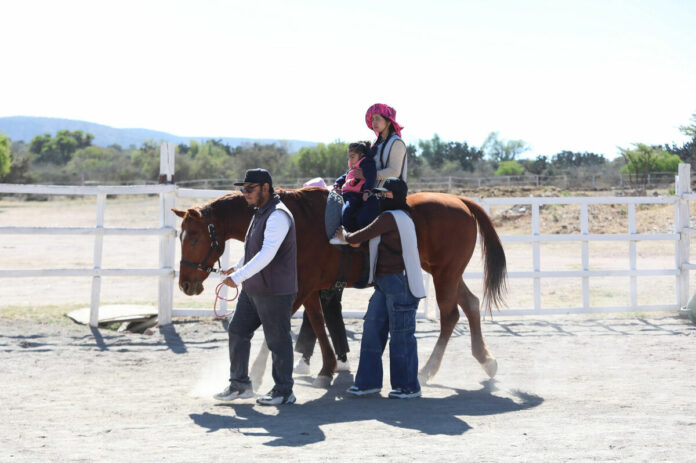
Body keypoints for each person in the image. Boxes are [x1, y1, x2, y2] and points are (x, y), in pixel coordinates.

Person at [335, 177, 426, 399]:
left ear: (393, 195)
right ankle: (368, 383)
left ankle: (408, 386)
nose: (380, 197)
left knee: (400, 336)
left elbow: (358, 238)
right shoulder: (400, 216)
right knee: (372, 331)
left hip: (397, 283)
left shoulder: (388, 217)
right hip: (387, 282)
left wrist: (344, 236)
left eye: (383, 194)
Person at [214, 168, 298, 406]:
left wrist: (238, 276)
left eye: (249, 188)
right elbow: (253, 249)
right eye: (243, 188)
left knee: (277, 340)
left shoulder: (278, 215)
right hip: (255, 288)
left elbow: (267, 253)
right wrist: (237, 268)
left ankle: (284, 391)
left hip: (275, 290)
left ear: (266, 188)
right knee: (238, 331)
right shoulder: (261, 213)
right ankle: (239, 385)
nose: (245, 193)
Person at [353, 103, 408, 231]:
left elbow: (394, 172)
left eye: (378, 118)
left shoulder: (397, 143)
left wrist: (367, 175)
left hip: (391, 193)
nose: (374, 122)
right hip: (374, 190)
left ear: (388, 122)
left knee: (363, 218)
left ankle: (360, 244)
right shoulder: (375, 144)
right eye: (372, 119)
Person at [329, 142, 376, 243]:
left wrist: (367, 191)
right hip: (347, 194)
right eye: (349, 157)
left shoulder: (366, 163)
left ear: (361, 155)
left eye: (352, 156)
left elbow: (371, 177)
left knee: (347, 211)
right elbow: (346, 175)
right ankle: (336, 232)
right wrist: (337, 183)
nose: (350, 160)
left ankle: (347, 236)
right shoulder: (354, 165)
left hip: (356, 195)